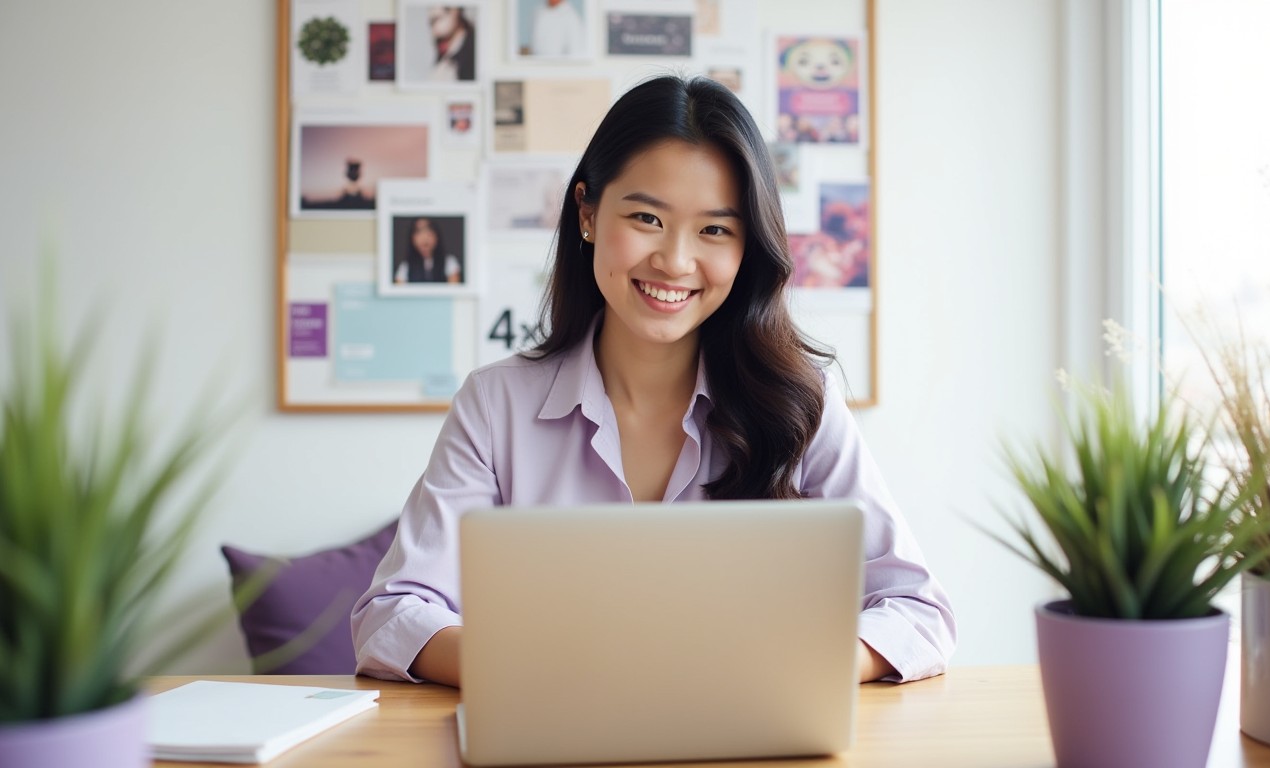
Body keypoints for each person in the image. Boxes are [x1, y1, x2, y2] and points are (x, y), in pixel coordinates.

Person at [352, 75, 956, 687]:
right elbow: (391, 616)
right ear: (588, 212)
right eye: (646, 217)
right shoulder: (495, 405)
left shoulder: (802, 404)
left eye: (714, 230)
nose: (674, 260)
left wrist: (788, 669)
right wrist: (550, 670)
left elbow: (916, 611)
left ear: (749, 246)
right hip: (555, 734)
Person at [394, 217, 462, 284]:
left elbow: (454, 291)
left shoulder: (449, 262)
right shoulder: (405, 267)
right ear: (412, 238)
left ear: (436, 236)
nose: (424, 237)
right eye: (419, 232)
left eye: (428, 231)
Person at [428, 6, 476, 82]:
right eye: (431, 23)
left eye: (437, 19)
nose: (433, 30)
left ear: (454, 11)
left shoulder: (474, 50)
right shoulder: (442, 49)